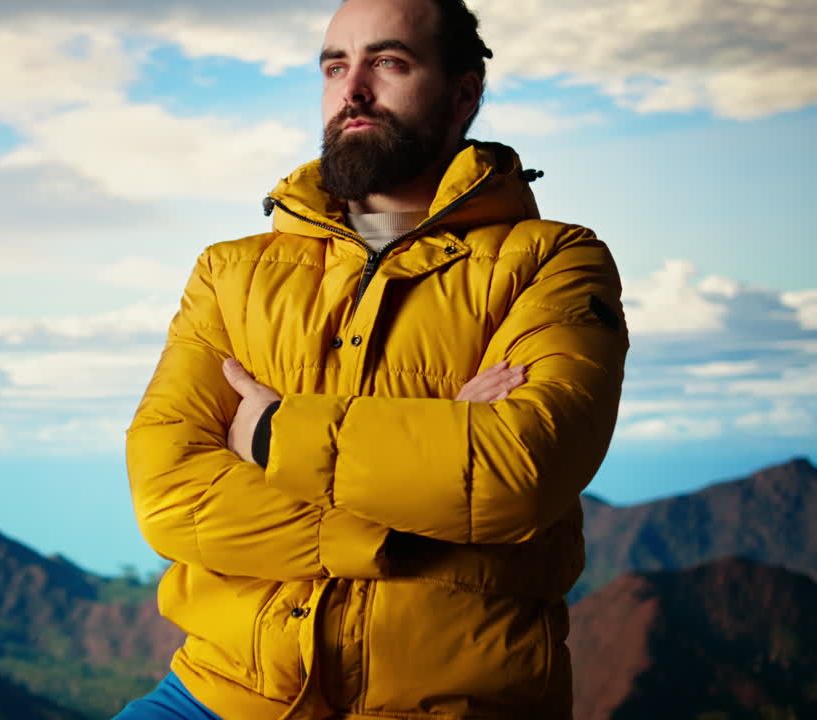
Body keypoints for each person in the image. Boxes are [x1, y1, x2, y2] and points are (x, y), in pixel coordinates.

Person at [121, 0, 628, 717]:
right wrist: (405, 508)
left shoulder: (555, 262)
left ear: (463, 93)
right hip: (220, 692)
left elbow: (517, 472)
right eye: (335, 67)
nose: (353, 89)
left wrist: (269, 435)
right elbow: (168, 494)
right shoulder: (229, 272)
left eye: (388, 62)